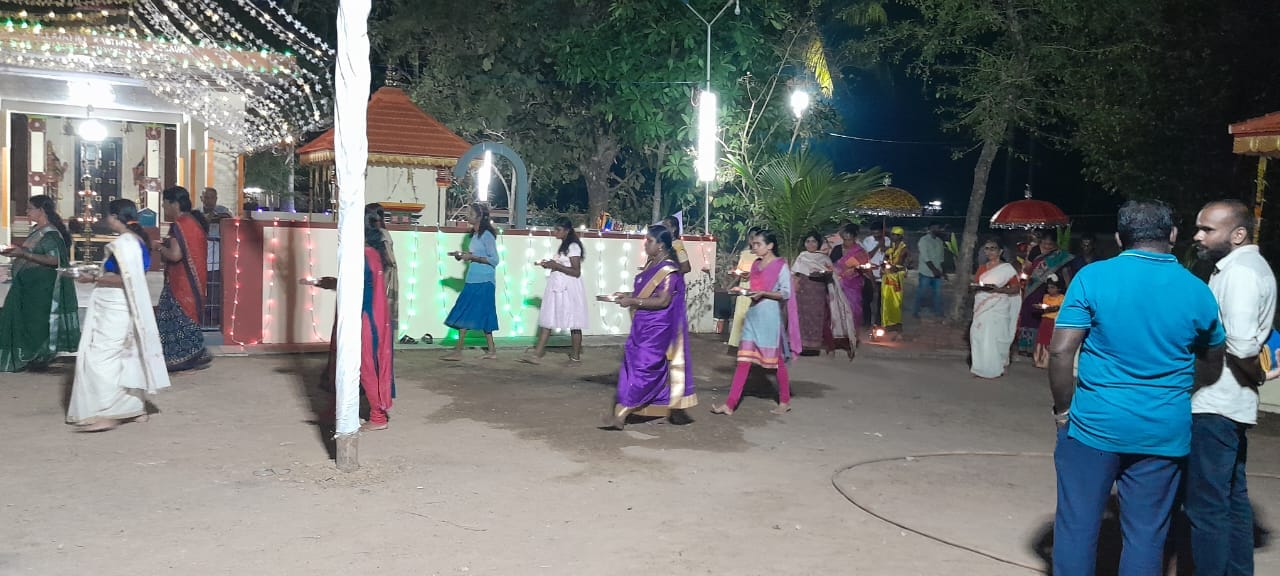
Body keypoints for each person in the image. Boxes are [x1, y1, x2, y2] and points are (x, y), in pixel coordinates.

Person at [1047, 200, 1225, 576]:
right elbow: (1213, 361)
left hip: (1094, 426)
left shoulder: (1093, 277)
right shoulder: (1197, 290)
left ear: (1118, 237)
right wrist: (1177, 393)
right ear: (1173, 236)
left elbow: (1061, 352)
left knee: (1077, 526)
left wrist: (1064, 411)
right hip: (1163, 431)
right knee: (1147, 534)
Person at [1187, 199, 1276, 575]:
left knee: (1206, 507)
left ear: (1238, 234)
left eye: (1208, 229)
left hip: (1216, 404)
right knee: (1232, 500)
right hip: (1230, 403)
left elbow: (1241, 344)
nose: (1198, 235)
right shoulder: (1244, 267)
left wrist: (1254, 373)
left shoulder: (1239, 273)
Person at [67, 199, 169, 432]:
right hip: (118, 305)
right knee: (124, 357)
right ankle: (134, 407)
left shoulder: (125, 243)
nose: (106, 221)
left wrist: (92, 278)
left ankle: (108, 410)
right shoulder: (137, 241)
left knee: (100, 358)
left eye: (108, 217)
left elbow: (125, 279)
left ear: (115, 217)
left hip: (115, 306)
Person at [606, 225, 696, 429]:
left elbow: (663, 301)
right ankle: (664, 405)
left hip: (658, 327)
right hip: (642, 324)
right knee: (635, 365)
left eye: (649, 241)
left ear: (661, 245)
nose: (645, 244)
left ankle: (621, 414)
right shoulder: (651, 264)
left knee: (644, 368)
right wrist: (626, 296)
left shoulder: (669, 270)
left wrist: (633, 302)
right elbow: (645, 295)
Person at [315, 204, 395, 430]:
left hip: (365, 318)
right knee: (350, 364)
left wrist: (332, 284)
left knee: (365, 365)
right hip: (364, 316)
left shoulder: (366, 254)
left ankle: (378, 417)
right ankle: (342, 410)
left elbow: (358, 289)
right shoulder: (369, 253)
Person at [712, 230, 802, 415]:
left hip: (769, 318)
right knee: (743, 361)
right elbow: (755, 289)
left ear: (770, 246)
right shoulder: (755, 265)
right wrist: (743, 291)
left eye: (758, 244)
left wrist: (764, 294)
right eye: (753, 244)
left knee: (775, 362)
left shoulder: (780, 266)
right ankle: (730, 404)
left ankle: (784, 401)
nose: (754, 247)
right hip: (753, 315)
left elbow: (785, 293)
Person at [0, 196, 80, 371]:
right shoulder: (38, 230)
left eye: (29, 209)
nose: (27, 212)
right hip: (28, 285)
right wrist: (17, 252)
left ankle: (35, 356)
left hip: (41, 287)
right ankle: (27, 356)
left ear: (41, 210)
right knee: (26, 320)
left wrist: (23, 255)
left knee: (36, 322)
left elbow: (53, 259)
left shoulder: (50, 234)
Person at [154, 186, 212, 372]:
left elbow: (175, 255)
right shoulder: (193, 222)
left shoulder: (180, 224)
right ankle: (196, 353)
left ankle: (180, 358)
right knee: (188, 318)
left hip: (181, 283)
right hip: (194, 281)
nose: (164, 209)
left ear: (175, 204)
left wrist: (158, 247)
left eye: (165, 205)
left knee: (173, 317)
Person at [523, 217, 587, 364]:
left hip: (569, 288)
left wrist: (555, 266)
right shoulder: (564, 246)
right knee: (548, 317)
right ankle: (537, 354)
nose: (555, 232)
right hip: (557, 286)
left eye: (558, 230)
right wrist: (549, 264)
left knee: (574, 321)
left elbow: (576, 271)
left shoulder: (573, 246)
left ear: (567, 230)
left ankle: (575, 355)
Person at [444, 203, 500, 360]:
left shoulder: (487, 236)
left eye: (470, 213)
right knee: (465, 310)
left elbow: (494, 260)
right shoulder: (474, 235)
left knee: (483, 312)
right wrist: (461, 255)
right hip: (473, 278)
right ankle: (466, 349)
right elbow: (474, 254)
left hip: (484, 280)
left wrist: (471, 257)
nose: (467, 215)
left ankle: (472, 350)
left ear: (479, 217)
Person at [792, 232, 857, 357]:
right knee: (802, 318)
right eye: (808, 241)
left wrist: (825, 274)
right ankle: (801, 346)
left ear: (818, 243)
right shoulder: (802, 256)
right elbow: (795, 273)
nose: (810, 244)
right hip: (803, 292)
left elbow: (831, 274)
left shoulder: (824, 258)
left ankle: (814, 347)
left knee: (817, 318)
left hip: (818, 291)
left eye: (814, 241)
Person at [969, 239, 1021, 379]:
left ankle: (997, 366)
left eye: (993, 248)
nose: (990, 251)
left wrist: (999, 290)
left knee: (997, 337)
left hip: (998, 306)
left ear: (1000, 251)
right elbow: (976, 283)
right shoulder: (982, 268)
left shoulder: (1007, 269)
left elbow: (1016, 289)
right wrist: (976, 287)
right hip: (982, 305)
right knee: (978, 335)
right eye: (987, 248)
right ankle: (980, 367)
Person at [1016, 232, 1074, 356]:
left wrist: (1069, 289)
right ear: (1041, 242)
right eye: (1045, 243)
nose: (1047, 246)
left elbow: (1065, 272)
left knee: (1039, 317)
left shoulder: (1059, 256)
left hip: (1047, 289)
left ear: (1055, 244)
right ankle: (1023, 347)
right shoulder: (1035, 251)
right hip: (1031, 287)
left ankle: (1035, 349)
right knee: (1027, 314)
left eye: (1050, 244)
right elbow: (1029, 268)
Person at [832, 223, 870, 345]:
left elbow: (865, 268)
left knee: (853, 310)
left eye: (850, 239)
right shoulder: (837, 249)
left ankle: (853, 336)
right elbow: (830, 264)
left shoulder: (859, 252)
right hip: (837, 284)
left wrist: (855, 269)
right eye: (845, 239)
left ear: (855, 238)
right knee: (837, 310)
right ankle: (838, 337)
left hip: (853, 285)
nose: (847, 242)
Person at [728, 227, 762, 349]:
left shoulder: (762, 256)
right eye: (750, 237)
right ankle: (737, 343)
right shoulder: (744, 253)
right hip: (743, 285)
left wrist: (752, 274)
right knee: (740, 315)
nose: (752, 240)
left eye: (755, 238)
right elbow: (740, 268)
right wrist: (736, 274)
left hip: (755, 287)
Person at [913, 222, 947, 318]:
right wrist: (934, 270)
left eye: (938, 228)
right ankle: (915, 311)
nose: (937, 229)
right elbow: (925, 257)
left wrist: (943, 272)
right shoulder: (923, 240)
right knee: (921, 293)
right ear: (930, 229)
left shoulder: (939, 241)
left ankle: (938, 312)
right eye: (935, 228)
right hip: (926, 272)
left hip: (937, 272)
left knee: (937, 294)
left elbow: (941, 258)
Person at [860, 226, 889, 335]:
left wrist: (885, 248)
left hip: (883, 274)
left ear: (882, 232)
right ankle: (866, 322)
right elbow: (868, 256)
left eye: (879, 233)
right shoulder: (867, 241)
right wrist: (878, 245)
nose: (877, 235)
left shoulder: (888, 240)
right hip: (869, 273)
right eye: (874, 233)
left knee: (881, 301)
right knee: (867, 300)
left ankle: (878, 323)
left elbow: (888, 254)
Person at [880, 226, 909, 335]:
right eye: (892, 234)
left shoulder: (904, 248)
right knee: (886, 300)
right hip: (887, 276)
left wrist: (898, 267)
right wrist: (884, 265)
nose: (893, 237)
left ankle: (896, 324)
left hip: (897, 276)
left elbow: (906, 262)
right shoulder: (890, 248)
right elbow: (885, 260)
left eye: (896, 235)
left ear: (901, 236)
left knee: (896, 301)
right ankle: (887, 324)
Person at [1033, 275, 1065, 369]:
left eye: (1052, 287)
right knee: (1041, 340)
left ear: (1058, 288)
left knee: (1049, 340)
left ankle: (1047, 362)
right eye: (1048, 287)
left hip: (1053, 321)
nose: (1049, 290)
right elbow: (1044, 307)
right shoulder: (1046, 296)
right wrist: (1041, 307)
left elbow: (1056, 308)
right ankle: (1038, 360)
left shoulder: (1061, 298)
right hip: (1045, 320)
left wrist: (1047, 307)